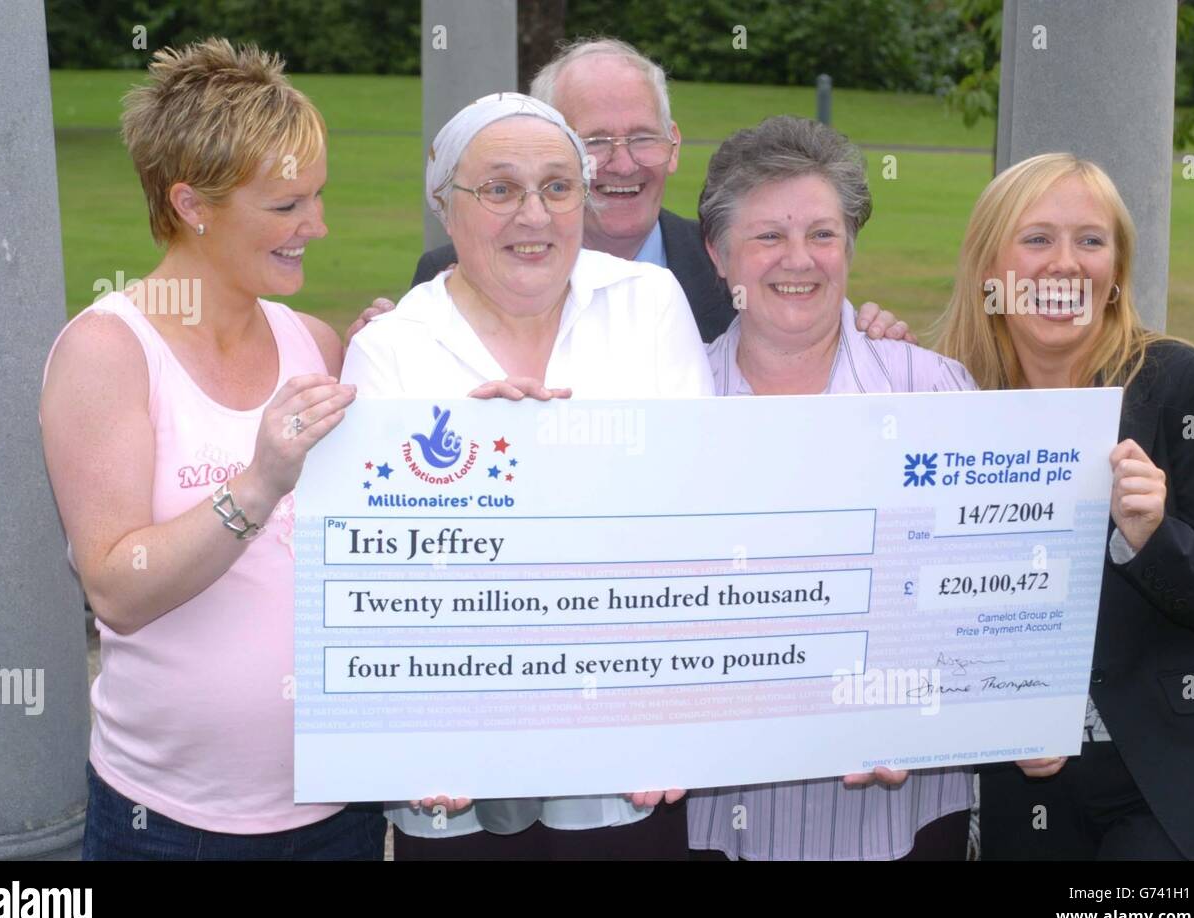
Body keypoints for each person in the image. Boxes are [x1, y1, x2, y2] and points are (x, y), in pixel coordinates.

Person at [39, 39, 383, 859]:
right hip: (170, 827)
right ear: (193, 204)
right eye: (287, 205)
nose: (318, 225)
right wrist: (257, 483)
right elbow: (118, 589)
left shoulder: (317, 343)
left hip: (339, 806)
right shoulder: (107, 352)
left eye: (319, 197)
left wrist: (408, 366)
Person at [342, 92, 708, 860]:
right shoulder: (395, 347)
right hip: (457, 756)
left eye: (557, 186)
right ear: (447, 207)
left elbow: (692, 515)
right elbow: (374, 571)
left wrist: (673, 713)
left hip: (623, 742)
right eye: (500, 189)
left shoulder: (649, 303)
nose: (534, 215)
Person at [934, 152, 1194, 860]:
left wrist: (1156, 539)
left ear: (1116, 272)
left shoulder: (1181, 385)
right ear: (990, 267)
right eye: (1037, 238)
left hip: (1172, 785)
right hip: (1023, 790)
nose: (1064, 264)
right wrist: (1000, 716)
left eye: (1091, 240)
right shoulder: (948, 403)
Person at [686, 116, 977, 861]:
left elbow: (976, 596)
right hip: (727, 818)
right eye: (768, 237)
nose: (799, 260)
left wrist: (938, 716)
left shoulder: (931, 389)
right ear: (719, 255)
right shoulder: (673, 405)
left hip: (904, 811)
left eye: (822, 233)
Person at [350, 38, 910, 347]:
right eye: (595, 141)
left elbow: (802, 336)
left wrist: (863, 334)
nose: (623, 163)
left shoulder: (731, 263)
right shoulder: (450, 271)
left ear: (674, 146)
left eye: (643, 137)